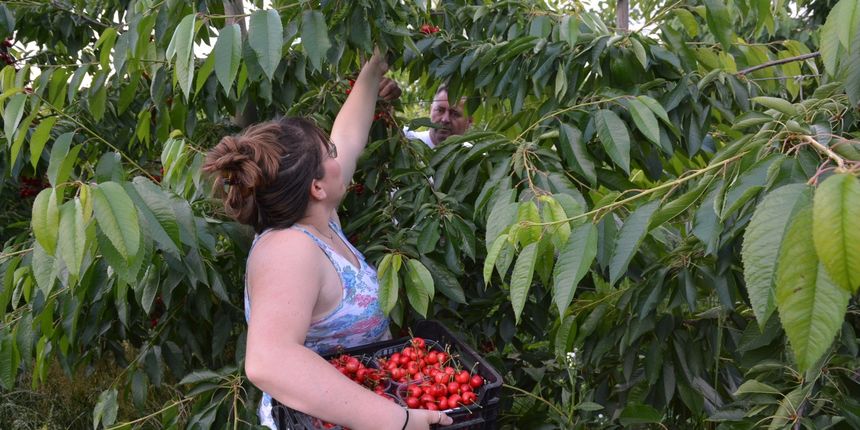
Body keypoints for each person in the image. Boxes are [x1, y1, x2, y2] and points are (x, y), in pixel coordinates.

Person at [202, 51, 453, 430]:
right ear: (317, 186)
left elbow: (348, 135)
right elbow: (267, 361)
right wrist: (398, 420)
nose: (341, 156)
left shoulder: (322, 222)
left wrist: (373, 69)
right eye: (329, 154)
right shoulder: (288, 249)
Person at [403, 85, 472, 148]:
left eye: (454, 113)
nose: (445, 119)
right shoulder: (406, 140)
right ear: (430, 110)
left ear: (469, 121)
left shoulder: (474, 158)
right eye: (440, 110)